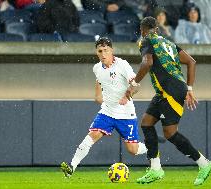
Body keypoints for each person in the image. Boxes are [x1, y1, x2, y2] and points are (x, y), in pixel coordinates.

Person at [121, 17, 211, 186]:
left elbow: (147, 62)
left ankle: (204, 164)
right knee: (146, 123)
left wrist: (134, 84)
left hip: (171, 91)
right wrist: (190, 89)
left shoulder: (145, 40)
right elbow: (191, 62)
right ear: (156, 29)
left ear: (142, 30)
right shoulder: (169, 43)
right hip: (166, 91)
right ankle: (155, 169)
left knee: (170, 133)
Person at [60, 37, 148, 178]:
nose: (103, 54)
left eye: (105, 50)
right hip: (107, 112)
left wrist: (127, 95)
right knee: (91, 136)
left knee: (133, 149)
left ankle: (151, 147)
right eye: (100, 51)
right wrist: (98, 97)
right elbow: (100, 84)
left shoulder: (122, 65)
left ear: (111, 50)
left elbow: (136, 85)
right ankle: (72, 166)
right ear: (97, 52)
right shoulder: (96, 68)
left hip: (126, 114)